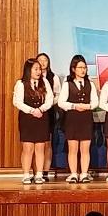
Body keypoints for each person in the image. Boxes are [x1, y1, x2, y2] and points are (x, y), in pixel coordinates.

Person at [13, 58, 54, 184]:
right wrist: (32, 110)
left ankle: (39, 174)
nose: (38, 72)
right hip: (27, 118)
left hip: (42, 117)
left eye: (39, 69)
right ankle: (26, 174)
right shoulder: (21, 83)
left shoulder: (45, 82)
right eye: (35, 69)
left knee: (40, 147)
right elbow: (17, 102)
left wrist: (41, 109)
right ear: (28, 70)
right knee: (28, 148)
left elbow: (50, 99)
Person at [58, 54, 98, 183]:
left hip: (86, 119)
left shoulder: (90, 84)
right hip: (72, 119)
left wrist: (87, 106)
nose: (83, 70)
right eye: (80, 67)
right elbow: (61, 102)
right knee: (73, 148)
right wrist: (74, 106)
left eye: (84, 67)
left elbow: (95, 102)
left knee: (85, 148)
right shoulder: (67, 84)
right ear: (73, 69)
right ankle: (74, 173)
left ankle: (84, 173)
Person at [36, 52, 61, 182]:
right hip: (33, 113)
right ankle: (36, 171)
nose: (43, 62)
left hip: (49, 112)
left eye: (45, 60)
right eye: (40, 60)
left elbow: (58, 94)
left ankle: (45, 171)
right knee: (35, 143)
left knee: (47, 143)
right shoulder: (31, 78)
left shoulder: (53, 77)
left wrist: (49, 103)